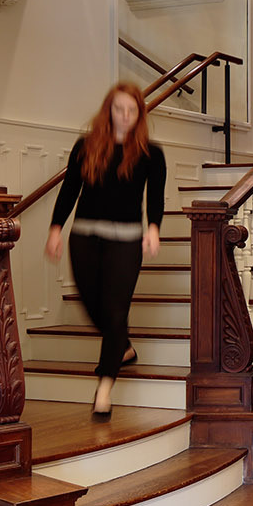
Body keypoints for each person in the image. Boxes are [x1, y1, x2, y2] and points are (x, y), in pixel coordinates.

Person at [45, 83, 166, 420]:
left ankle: (103, 389)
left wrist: (153, 228)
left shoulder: (150, 154)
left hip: (127, 240)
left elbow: (155, 197)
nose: (125, 116)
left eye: (132, 110)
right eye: (119, 109)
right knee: (91, 304)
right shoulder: (86, 146)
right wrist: (56, 229)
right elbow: (70, 189)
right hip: (84, 235)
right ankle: (122, 346)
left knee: (115, 312)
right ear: (108, 110)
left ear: (140, 114)